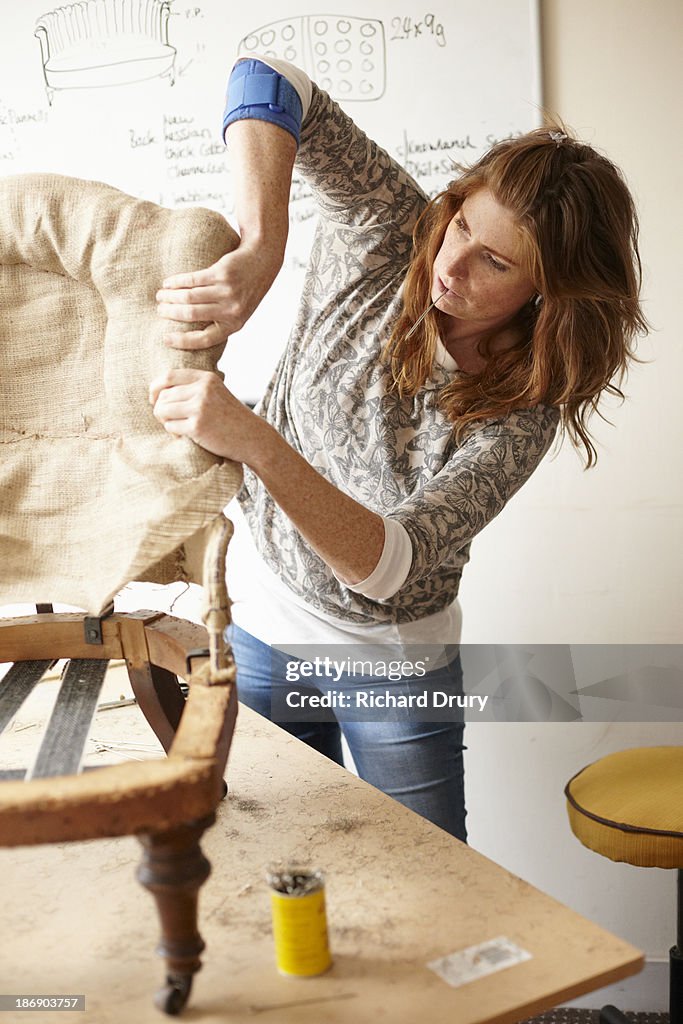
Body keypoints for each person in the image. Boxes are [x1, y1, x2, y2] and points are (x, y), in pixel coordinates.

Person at [149, 57, 646, 841]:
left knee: (433, 887)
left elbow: (388, 568)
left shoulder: (524, 409)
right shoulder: (388, 233)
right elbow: (270, 78)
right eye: (461, 227)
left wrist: (252, 440)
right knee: (273, 862)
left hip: (391, 669)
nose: (450, 265)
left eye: (496, 262)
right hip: (259, 628)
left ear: (547, 290)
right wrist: (260, 248)